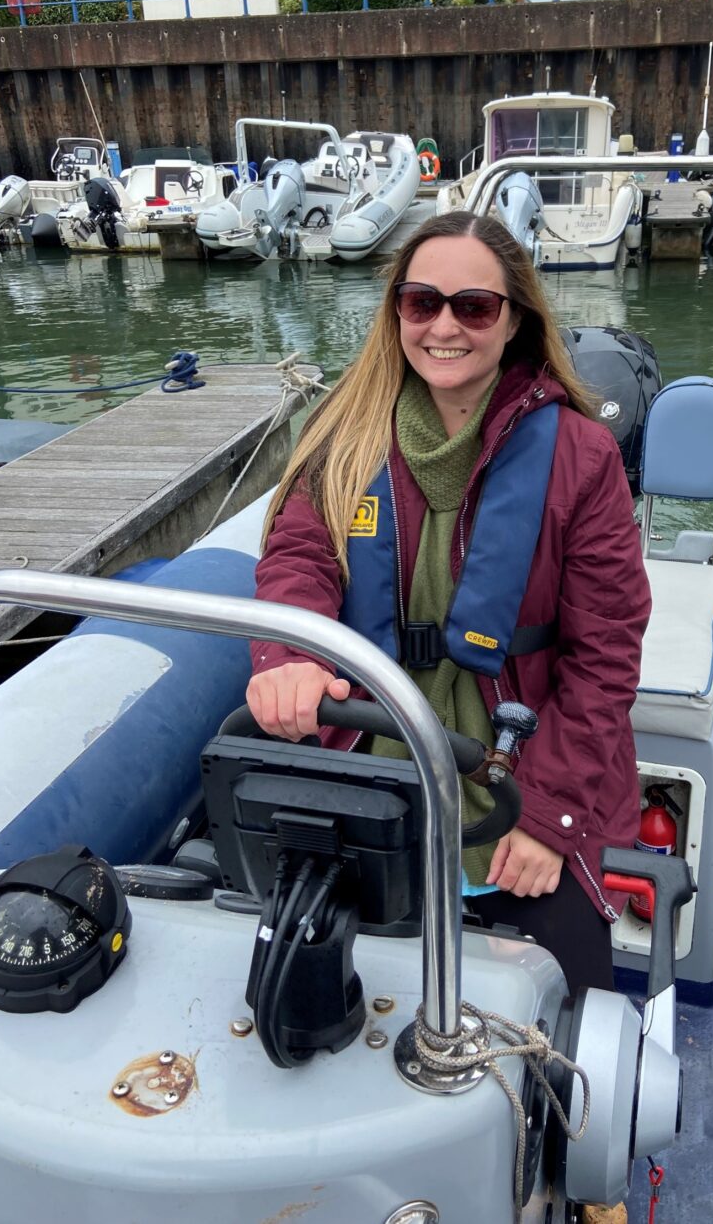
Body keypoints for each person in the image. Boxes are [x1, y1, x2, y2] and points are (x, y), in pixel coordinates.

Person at [246, 209, 651, 991]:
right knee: (307, 984)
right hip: (369, 756)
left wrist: (549, 818)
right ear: (396, 310)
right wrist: (288, 658)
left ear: (514, 322)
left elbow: (605, 657)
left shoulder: (582, 457)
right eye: (421, 302)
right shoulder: (342, 436)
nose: (443, 326)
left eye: (474, 306)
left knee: (563, 1013)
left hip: (532, 769)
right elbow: (298, 560)